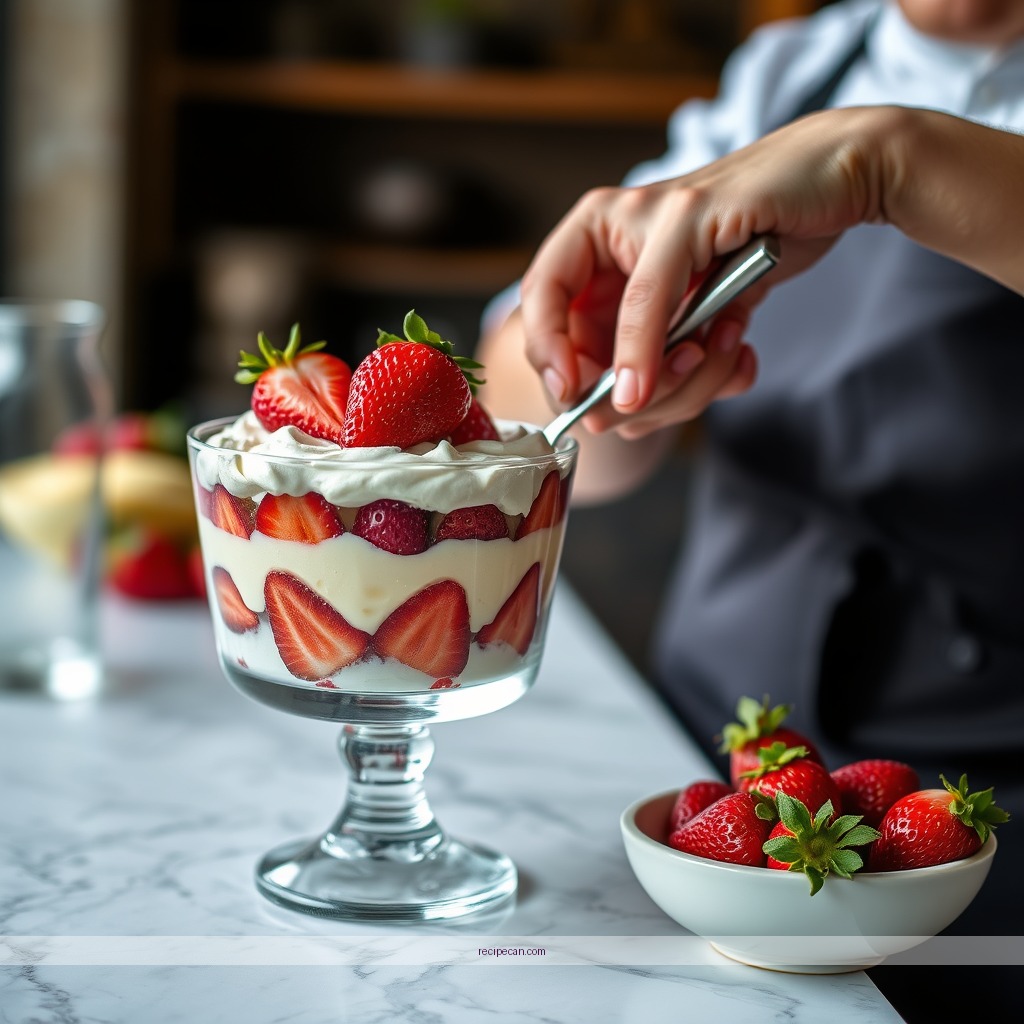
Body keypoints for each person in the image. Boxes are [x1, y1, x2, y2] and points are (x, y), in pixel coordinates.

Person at [476, 1, 1024, 1015]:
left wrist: (888, 157)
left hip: (974, 809)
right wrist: (590, 379)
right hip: (700, 766)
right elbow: (525, 414)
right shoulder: (795, 71)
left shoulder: (859, 120)